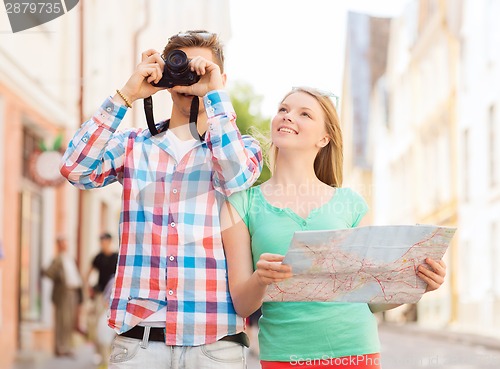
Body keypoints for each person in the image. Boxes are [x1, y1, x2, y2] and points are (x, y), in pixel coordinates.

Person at [60, 30, 262, 368]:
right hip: (139, 344)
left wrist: (214, 96)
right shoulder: (133, 146)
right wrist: (126, 95)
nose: (191, 80)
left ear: (221, 79)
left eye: (204, 71)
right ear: (168, 77)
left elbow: (236, 176)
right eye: (183, 70)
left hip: (214, 346)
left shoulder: (240, 148)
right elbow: (74, 168)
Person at [221, 86, 447, 369]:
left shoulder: (350, 203)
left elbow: (372, 299)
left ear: (324, 138)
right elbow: (243, 305)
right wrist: (260, 279)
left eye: (304, 113)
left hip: (356, 350)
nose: (288, 116)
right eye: (283, 109)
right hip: (285, 355)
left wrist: (416, 284)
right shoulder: (241, 204)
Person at [42, 236, 83, 357]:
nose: (65, 245)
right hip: (63, 293)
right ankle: (60, 347)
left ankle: (67, 346)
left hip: (73, 292)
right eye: (62, 243)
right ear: (59, 245)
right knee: (62, 320)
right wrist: (58, 275)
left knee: (69, 321)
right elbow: (48, 272)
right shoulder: (58, 259)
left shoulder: (70, 258)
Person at [86, 232, 119, 367]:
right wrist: (89, 289)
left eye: (105, 241)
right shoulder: (98, 257)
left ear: (109, 242)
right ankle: (99, 353)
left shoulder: (115, 257)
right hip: (100, 296)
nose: (103, 243)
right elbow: (88, 273)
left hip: (112, 296)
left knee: (110, 327)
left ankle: (110, 353)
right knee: (97, 325)